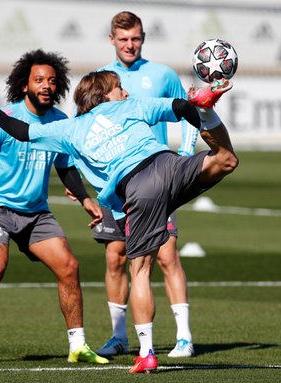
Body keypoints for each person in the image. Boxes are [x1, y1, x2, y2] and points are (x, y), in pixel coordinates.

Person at [0, 70, 237, 373]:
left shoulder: (69, 129)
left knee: (139, 270)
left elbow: (21, 131)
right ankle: (209, 110)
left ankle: (147, 352)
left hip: (139, 188)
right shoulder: (131, 107)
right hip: (170, 166)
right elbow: (179, 108)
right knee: (226, 159)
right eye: (119, 87)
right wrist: (200, 111)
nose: (125, 91)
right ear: (104, 94)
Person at [0, 49, 107, 366]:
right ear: (24, 85)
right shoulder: (3, 118)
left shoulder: (59, 122)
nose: (46, 86)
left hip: (36, 213)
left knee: (69, 266)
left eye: (52, 81)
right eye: (39, 80)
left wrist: (85, 199)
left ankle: (78, 345)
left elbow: (65, 167)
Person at [93, 11, 198, 359]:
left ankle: (184, 337)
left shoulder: (162, 75)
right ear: (111, 39)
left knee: (167, 254)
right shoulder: (102, 81)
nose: (130, 45)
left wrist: (185, 152)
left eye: (135, 38)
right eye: (123, 39)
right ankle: (119, 336)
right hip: (116, 183)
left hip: (155, 179)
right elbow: (86, 128)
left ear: (143, 37)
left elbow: (188, 111)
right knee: (114, 256)